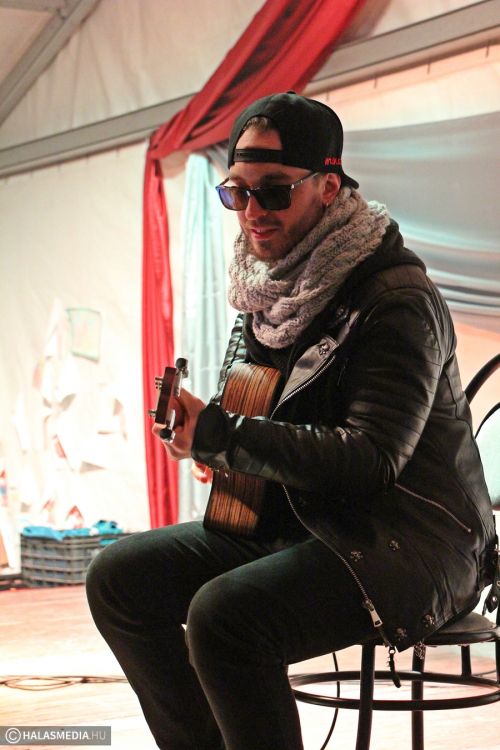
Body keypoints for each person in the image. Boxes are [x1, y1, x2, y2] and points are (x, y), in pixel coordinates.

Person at [86, 92, 497, 750]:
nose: (252, 211)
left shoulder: (396, 299)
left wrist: (226, 437)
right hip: (302, 517)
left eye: (273, 191)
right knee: (118, 578)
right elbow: (261, 415)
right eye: (236, 193)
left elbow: (370, 460)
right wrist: (208, 445)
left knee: (224, 617)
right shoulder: (268, 288)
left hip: (408, 542)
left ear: (328, 187)